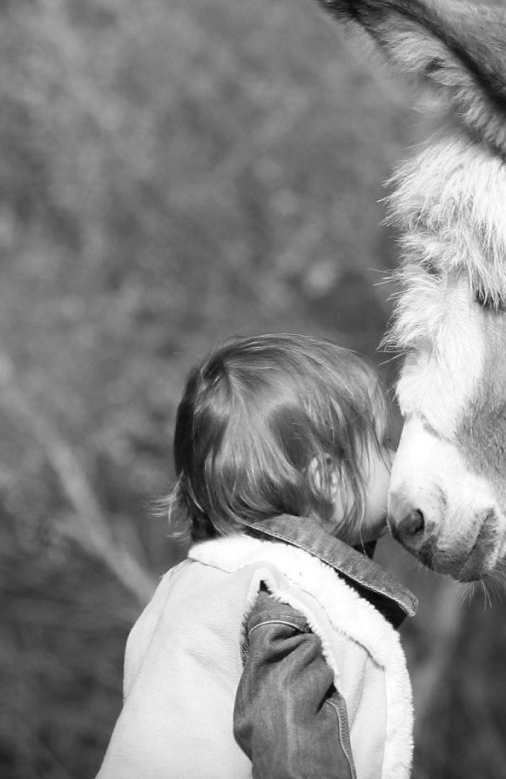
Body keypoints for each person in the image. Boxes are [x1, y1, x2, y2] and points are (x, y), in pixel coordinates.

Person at [96, 333, 417, 779]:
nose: (397, 456)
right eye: (382, 444)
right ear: (327, 480)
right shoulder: (287, 604)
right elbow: (295, 760)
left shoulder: (189, 592)